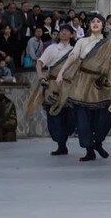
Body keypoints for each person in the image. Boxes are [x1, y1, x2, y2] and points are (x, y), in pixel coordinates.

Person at [56, 14, 111, 162]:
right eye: (92, 22)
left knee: (105, 117)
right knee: (83, 118)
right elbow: (73, 56)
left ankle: (98, 142)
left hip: (101, 83)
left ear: (103, 25)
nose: (95, 24)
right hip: (82, 82)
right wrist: (61, 72)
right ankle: (89, 150)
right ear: (89, 25)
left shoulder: (108, 44)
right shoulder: (82, 41)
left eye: (98, 22)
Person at [28, 24, 75, 155]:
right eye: (62, 31)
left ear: (72, 35)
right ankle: (61, 144)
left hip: (69, 86)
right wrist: (40, 75)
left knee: (70, 115)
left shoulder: (75, 50)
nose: (64, 33)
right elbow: (40, 62)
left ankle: (64, 138)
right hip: (53, 85)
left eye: (67, 31)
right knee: (54, 113)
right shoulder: (52, 48)